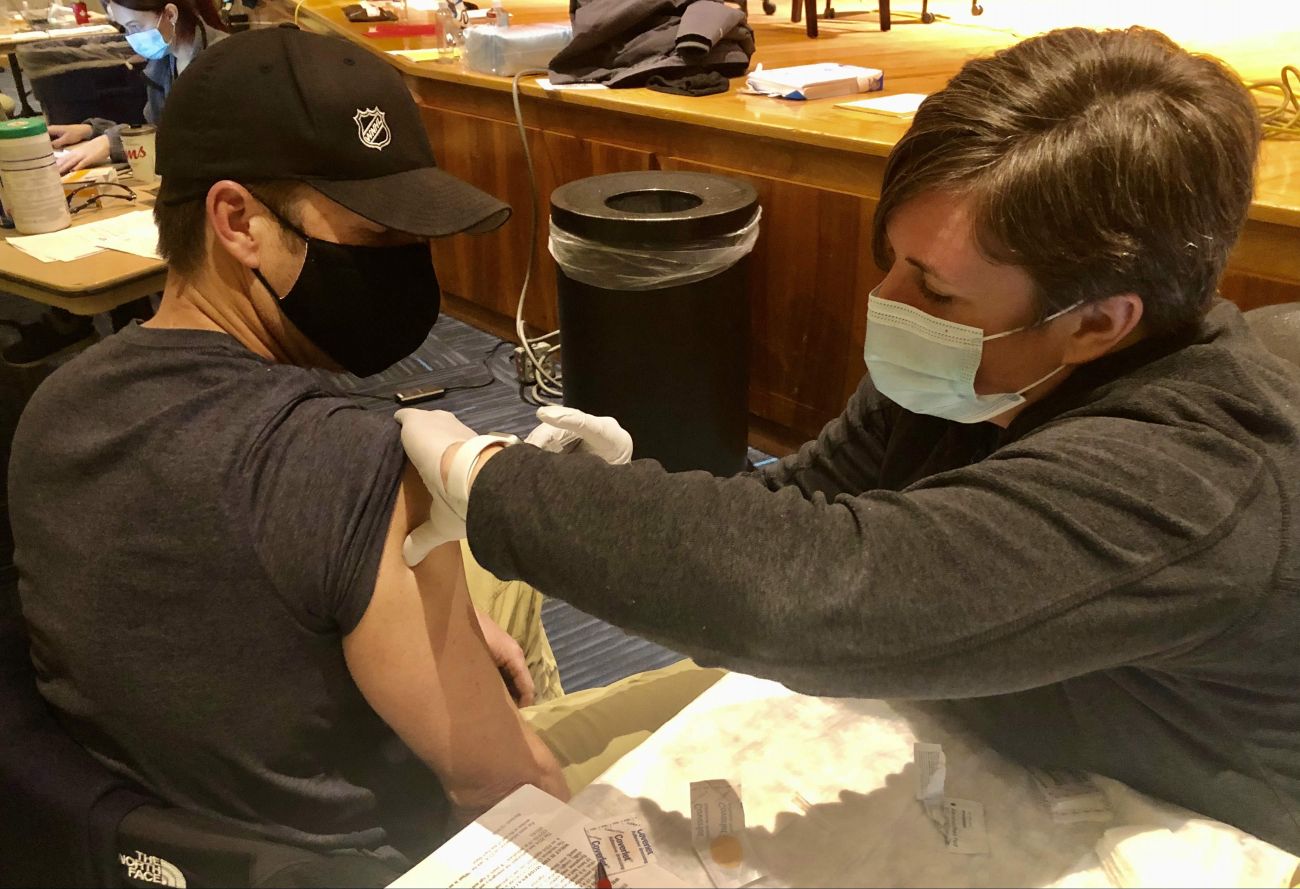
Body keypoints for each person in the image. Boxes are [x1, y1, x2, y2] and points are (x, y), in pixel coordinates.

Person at [400, 26, 1300, 855]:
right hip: (979, 695)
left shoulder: (1191, 480)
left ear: (1098, 322)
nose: (890, 302)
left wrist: (490, 481)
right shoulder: (974, 373)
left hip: (1174, 807)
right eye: (897, 260)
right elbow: (799, 507)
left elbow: (818, 591)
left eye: (938, 291)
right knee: (545, 762)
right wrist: (632, 493)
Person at [8, 27, 718, 872]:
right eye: (379, 239)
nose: (408, 271)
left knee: (497, 596)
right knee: (729, 691)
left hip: (186, 817)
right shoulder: (354, 468)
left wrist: (435, 619)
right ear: (237, 221)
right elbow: (503, 789)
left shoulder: (51, 409)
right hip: (391, 853)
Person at [49, 0, 227, 174]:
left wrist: (113, 142)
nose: (132, 37)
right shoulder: (164, 63)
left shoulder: (223, 61)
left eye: (135, 26)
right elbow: (158, 130)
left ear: (170, 15)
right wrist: (93, 131)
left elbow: (196, 144)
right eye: (126, 29)